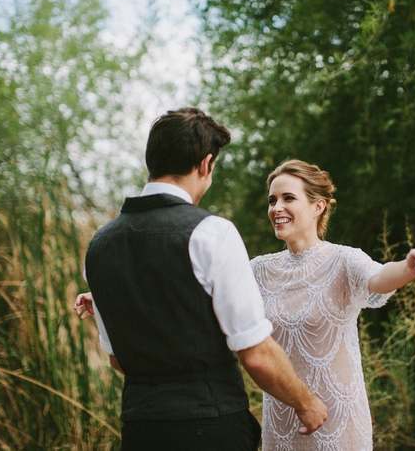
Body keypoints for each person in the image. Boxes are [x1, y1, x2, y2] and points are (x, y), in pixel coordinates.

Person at [76, 108, 326, 451]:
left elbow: (118, 359)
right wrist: (306, 403)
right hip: (211, 428)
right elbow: (256, 355)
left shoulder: (97, 248)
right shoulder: (212, 233)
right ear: (205, 165)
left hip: (139, 431)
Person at [250, 159, 415, 451]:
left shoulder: (343, 260)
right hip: (281, 424)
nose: (276, 208)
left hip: (339, 422)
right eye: (272, 200)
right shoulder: (258, 271)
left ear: (318, 206)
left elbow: (378, 278)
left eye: (288, 198)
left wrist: (409, 267)